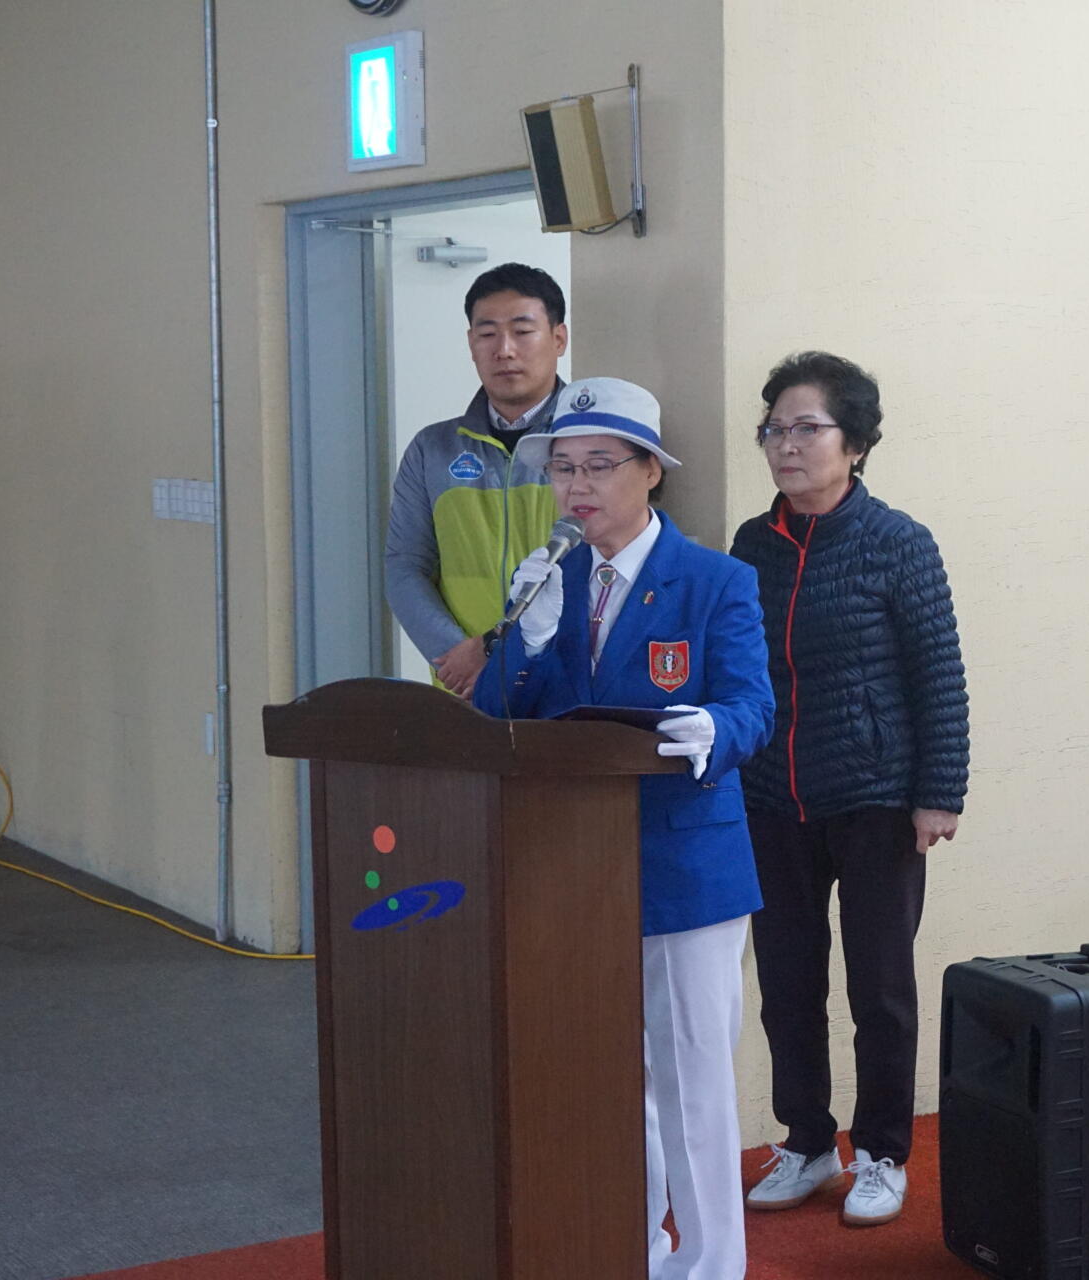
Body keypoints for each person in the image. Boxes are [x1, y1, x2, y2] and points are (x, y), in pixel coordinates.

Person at [471, 377, 773, 1280]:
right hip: (576, 867)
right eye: (562, 467)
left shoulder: (716, 580)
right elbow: (494, 719)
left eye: (599, 465)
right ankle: (628, 1251)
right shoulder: (547, 580)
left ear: (650, 472)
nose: (577, 485)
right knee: (604, 1080)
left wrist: (714, 729)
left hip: (686, 866)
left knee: (692, 1082)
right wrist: (523, 642)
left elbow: (753, 705)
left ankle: (711, 1265)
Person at [729, 351, 969, 1228]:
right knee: (788, 984)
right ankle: (806, 1142)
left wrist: (939, 792)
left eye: (807, 428)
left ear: (856, 443)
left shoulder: (898, 542)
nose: (785, 445)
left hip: (876, 799)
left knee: (880, 990)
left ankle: (881, 1153)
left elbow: (938, 675)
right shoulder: (752, 545)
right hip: (771, 799)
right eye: (773, 429)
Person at [385, 262, 569, 697]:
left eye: (522, 331)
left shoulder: (590, 444)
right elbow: (405, 566)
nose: (504, 350)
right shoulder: (432, 449)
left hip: (564, 680)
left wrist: (504, 653)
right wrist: (456, 656)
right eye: (487, 334)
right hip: (464, 689)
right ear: (471, 344)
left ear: (558, 339)